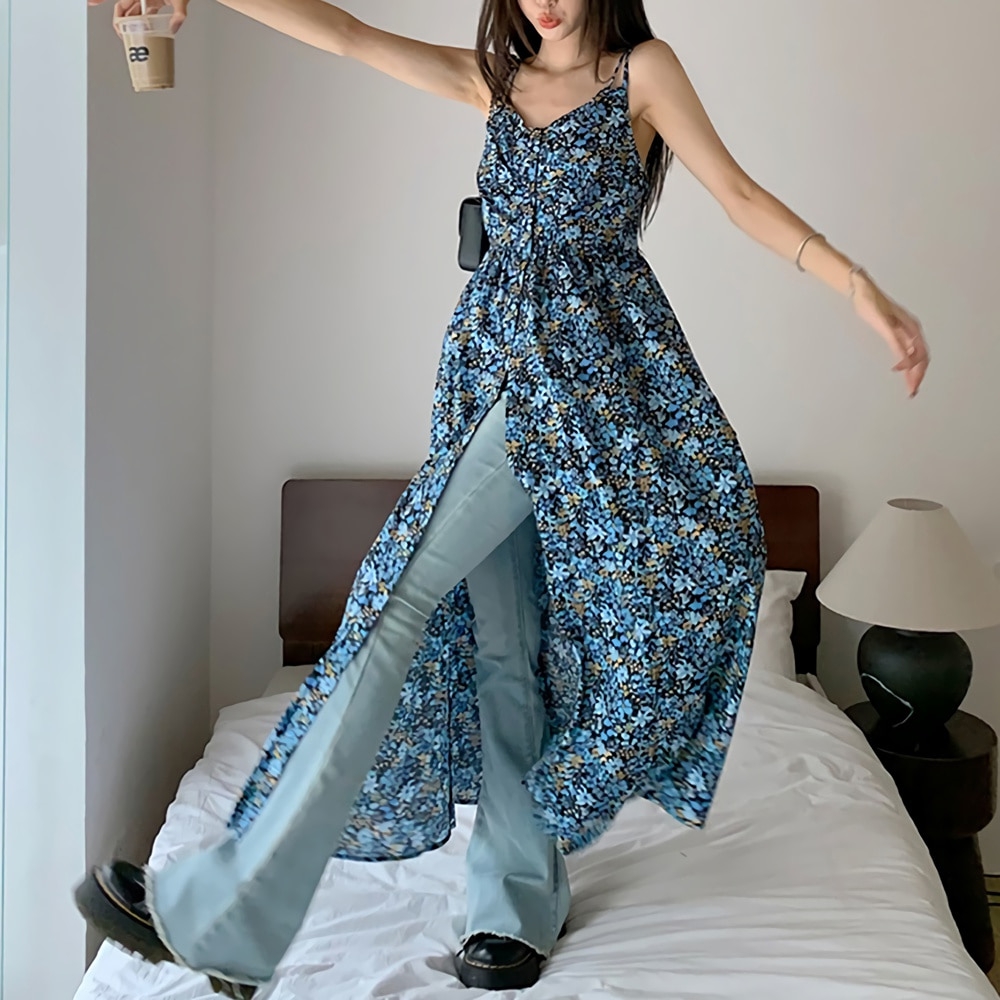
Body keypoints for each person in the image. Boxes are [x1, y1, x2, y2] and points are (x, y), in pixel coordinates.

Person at [77, 0, 930, 996]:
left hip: (579, 392)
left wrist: (859, 287)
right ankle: (514, 905)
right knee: (500, 645)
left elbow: (737, 194)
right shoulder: (496, 82)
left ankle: (229, 910)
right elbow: (348, 35)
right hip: (486, 379)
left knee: (392, 606)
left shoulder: (642, 73)